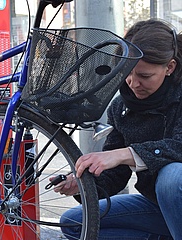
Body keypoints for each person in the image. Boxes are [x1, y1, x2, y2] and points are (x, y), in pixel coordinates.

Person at [54, 19, 182, 239]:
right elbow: (114, 176)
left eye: (144, 76)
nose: (133, 83)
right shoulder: (121, 107)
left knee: (172, 177)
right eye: (127, 74)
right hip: (158, 206)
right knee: (75, 223)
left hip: (174, 193)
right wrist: (82, 183)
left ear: (169, 67)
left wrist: (126, 154)